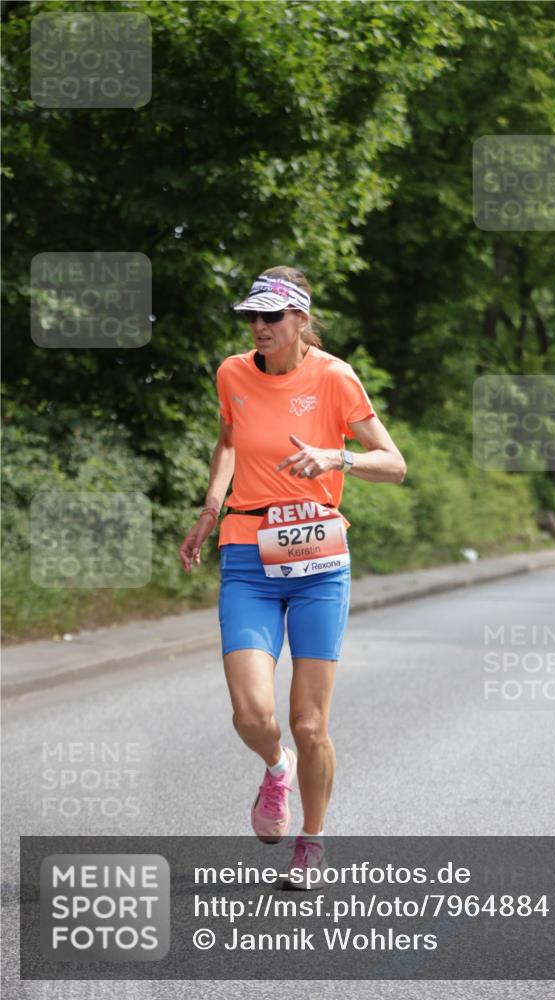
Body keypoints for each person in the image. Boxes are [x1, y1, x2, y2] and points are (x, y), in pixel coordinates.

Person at [179, 266, 406, 886]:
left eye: (272, 317)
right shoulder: (232, 372)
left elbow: (394, 463)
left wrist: (339, 456)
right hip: (249, 554)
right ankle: (274, 766)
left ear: (301, 320)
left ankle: (313, 839)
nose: (259, 328)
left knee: (310, 723)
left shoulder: (334, 376)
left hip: (319, 561)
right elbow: (227, 443)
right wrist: (208, 513)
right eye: (252, 317)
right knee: (253, 716)